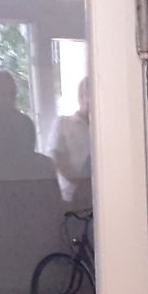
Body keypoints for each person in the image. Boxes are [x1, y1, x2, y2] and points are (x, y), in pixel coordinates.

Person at [51, 79, 94, 211]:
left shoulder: (106, 128)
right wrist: (81, 183)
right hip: (71, 198)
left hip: (103, 196)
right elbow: (56, 158)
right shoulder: (63, 123)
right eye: (89, 95)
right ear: (81, 97)